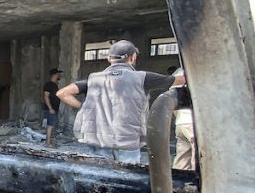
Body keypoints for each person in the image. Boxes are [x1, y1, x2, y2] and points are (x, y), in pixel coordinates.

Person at [56, 40, 184, 163]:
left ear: (109, 58)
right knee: (126, 180)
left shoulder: (93, 79)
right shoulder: (142, 78)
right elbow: (179, 80)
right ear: (133, 58)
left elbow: (62, 93)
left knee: (99, 179)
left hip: (99, 141)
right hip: (127, 143)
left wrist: (85, 106)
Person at [172, 68, 196, 170]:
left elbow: (173, 102)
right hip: (193, 123)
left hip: (181, 122)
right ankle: (199, 184)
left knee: (182, 157)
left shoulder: (178, 73)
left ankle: (176, 183)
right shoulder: (197, 71)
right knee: (198, 157)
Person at [42, 68, 62, 147]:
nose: (59, 75)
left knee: (52, 125)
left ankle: (50, 141)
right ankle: (47, 143)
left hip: (54, 109)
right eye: (58, 74)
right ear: (54, 75)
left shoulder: (54, 85)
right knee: (50, 125)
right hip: (50, 109)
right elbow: (46, 97)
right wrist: (50, 108)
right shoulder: (48, 84)